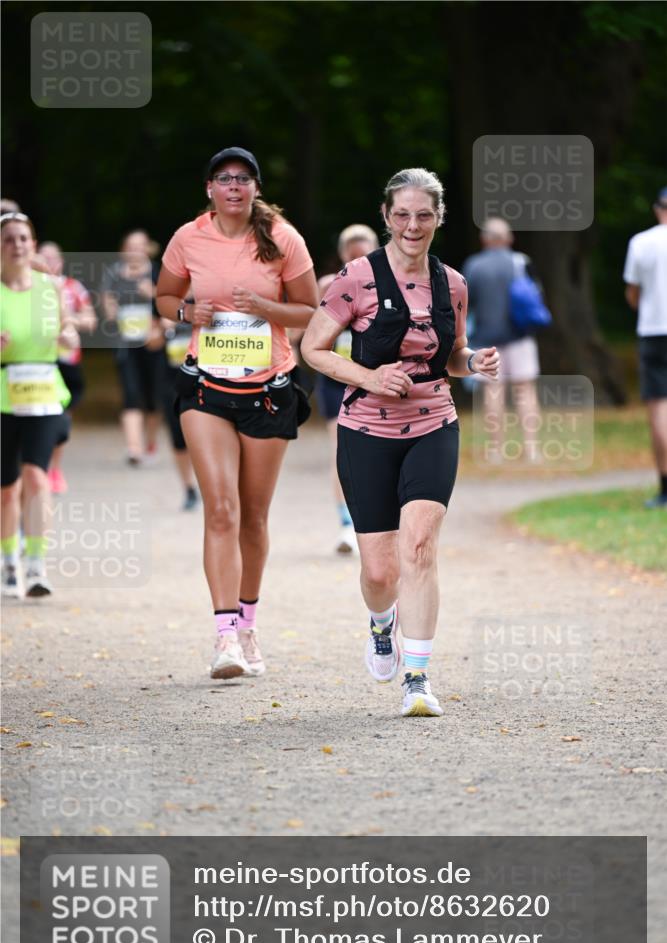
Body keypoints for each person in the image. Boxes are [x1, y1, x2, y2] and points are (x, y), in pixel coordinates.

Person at [301, 168, 499, 717]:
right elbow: (312, 349)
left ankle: (418, 677)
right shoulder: (354, 279)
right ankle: (381, 621)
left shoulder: (452, 283)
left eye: (425, 214)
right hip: (366, 431)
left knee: (419, 546)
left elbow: (452, 356)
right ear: (387, 216)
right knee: (380, 571)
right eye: (403, 214)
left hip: (435, 423)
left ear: (438, 218)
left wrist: (473, 363)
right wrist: (368, 377)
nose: (413, 225)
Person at [156, 146, 318, 678]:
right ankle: (224, 636)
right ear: (209, 188)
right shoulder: (188, 237)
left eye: (243, 179)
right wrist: (186, 311)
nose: (233, 186)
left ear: (255, 188)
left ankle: (248, 625)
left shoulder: (282, 239)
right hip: (206, 387)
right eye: (224, 178)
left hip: (268, 390)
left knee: (253, 516)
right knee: (220, 508)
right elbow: (163, 298)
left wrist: (265, 309)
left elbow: (309, 309)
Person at [1, 213, 79, 597]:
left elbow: (69, 330)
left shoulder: (50, 288)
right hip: (4, 392)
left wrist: (67, 335)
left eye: (23, 239)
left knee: (36, 476)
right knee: (6, 488)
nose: (17, 245)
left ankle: (36, 564)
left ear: (33, 244)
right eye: (9, 239)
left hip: (44, 391)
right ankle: (9, 559)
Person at [312, 224, 379, 555]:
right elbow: (307, 336)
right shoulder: (327, 284)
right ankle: (347, 525)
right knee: (343, 452)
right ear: (342, 255)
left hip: (378, 380)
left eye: (364, 253)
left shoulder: (391, 284)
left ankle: (380, 525)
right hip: (336, 380)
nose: (358, 259)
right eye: (351, 254)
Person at [463, 217, 542, 463]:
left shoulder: (473, 266)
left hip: (486, 340)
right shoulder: (521, 261)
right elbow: (535, 295)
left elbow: (466, 304)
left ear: (484, 239)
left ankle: (497, 450)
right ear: (509, 239)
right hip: (520, 336)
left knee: (493, 392)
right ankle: (531, 449)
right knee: (525, 391)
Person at [101, 229, 164, 465]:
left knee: (151, 399)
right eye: (130, 246)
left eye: (140, 246)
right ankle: (134, 449)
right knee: (131, 394)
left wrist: (155, 294)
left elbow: (172, 304)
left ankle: (150, 441)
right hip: (125, 344)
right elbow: (106, 300)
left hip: (153, 344)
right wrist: (111, 310)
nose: (135, 251)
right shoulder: (114, 274)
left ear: (147, 249)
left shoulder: (158, 272)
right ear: (123, 250)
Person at [38, 241, 96, 493]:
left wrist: (68, 320)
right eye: (44, 258)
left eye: (54, 258)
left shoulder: (73, 287)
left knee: (60, 418)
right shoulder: (25, 287)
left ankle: (54, 468)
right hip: (38, 361)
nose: (50, 263)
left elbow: (91, 320)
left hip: (67, 360)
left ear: (61, 261)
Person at [623, 186, 667, 509]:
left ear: (657, 209)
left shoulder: (641, 242)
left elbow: (633, 293)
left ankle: (665, 487)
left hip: (653, 330)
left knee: (659, 409)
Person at [160, 295, 199, 511]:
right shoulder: (167, 300)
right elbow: (152, 342)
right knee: (178, 439)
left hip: (207, 380)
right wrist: (162, 327)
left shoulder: (213, 298)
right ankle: (189, 488)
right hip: (173, 380)